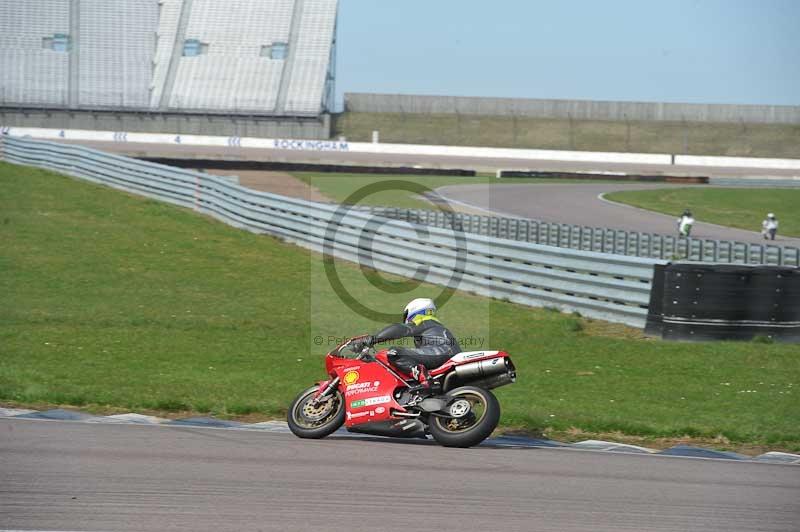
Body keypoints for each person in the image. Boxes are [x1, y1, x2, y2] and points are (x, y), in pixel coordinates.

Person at [351, 298, 462, 391]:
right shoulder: (435, 326)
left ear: (413, 312)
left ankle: (426, 380)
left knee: (394, 353)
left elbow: (400, 329)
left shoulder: (423, 321)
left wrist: (373, 339)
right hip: (449, 355)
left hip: (440, 353)